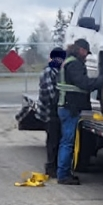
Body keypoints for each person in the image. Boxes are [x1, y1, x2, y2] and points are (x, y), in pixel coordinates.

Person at [56, 39, 103, 185]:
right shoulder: (74, 64)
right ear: (80, 49)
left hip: (67, 106)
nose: (86, 56)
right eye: (86, 53)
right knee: (67, 143)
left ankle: (64, 173)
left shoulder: (69, 61)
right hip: (70, 108)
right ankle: (63, 175)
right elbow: (84, 84)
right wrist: (102, 80)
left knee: (67, 142)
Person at [36, 47, 66, 178]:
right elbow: (51, 94)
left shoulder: (57, 71)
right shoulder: (49, 72)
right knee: (53, 141)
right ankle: (51, 167)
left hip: (53, 111)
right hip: (50, 112)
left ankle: (54, 166)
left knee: (56, 140)